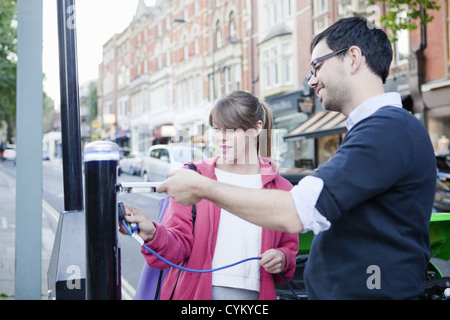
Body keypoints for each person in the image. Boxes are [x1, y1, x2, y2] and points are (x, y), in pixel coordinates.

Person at [157, 17, 437, 299]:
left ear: (353, 58)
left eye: (317, 66)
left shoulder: (385, 130)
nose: (312, 80)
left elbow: (295, 212)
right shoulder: (380, 129)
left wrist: (202, 188)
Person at [120, 90, 298, 300]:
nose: (221, 138)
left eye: (232, 130)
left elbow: (289, 248)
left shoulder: (282, 189)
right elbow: (177, 248)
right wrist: (151, 232)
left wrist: (283, 258)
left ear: (256, 129)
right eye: (216, 129)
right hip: (195, 296)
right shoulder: (193, 177)